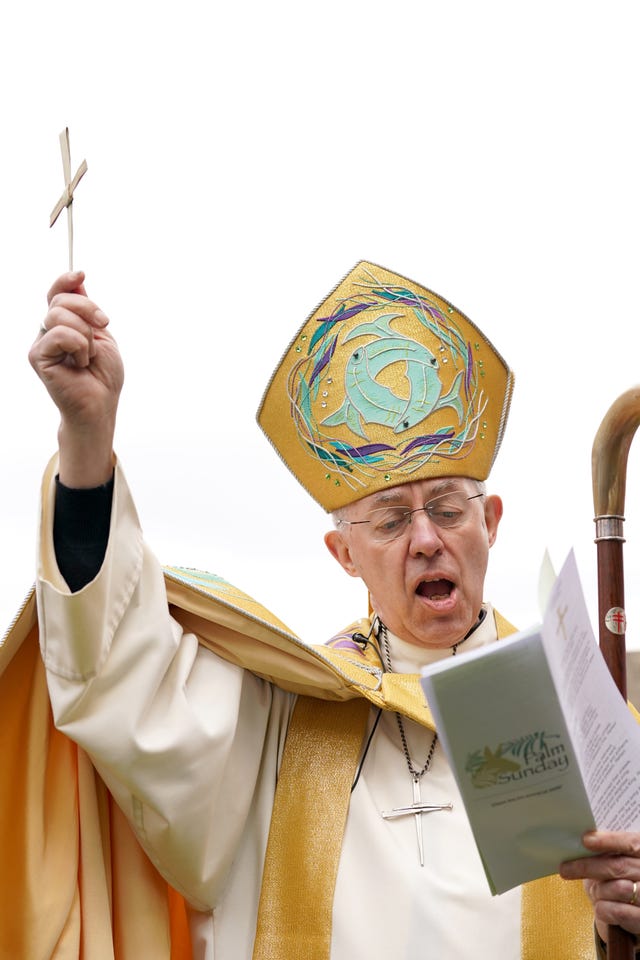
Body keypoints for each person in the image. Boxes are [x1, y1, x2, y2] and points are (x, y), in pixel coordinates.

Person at [24, 260, 640, 959]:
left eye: (446, 509)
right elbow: (127, 687)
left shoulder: (588, 715)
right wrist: (87, 436)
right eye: (389, 522)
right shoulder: (284, 716)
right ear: (342, 553)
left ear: (491, 522)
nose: (427, 541)